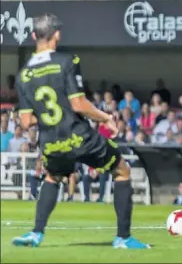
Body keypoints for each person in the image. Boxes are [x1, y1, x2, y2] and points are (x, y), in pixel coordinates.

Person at [11, 14, 150, 249]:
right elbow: (79, 105)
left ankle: (36, 234)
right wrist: (107, 118)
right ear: (57, 35)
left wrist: (46, 118)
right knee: (122, 170)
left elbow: (26, 122)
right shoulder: (67, 60)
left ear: (34, 36)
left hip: (51, 141)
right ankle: (123, 238)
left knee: (52, 177)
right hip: (77, 135)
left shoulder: (22, 76)